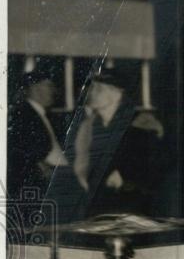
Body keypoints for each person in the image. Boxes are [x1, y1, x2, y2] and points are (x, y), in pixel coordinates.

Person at [66, 66, 165, 220]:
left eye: (98, 89)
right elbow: (81, 163)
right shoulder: (88, 127)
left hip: (133, 209)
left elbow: (155, 168)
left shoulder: (141, 124)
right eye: (92, 89)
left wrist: (126, 177)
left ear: (116, 93)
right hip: (95, 208)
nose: (91, 94)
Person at [7, 70, 68, 206]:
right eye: (49, 86)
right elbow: (21, 149)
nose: (54, 91)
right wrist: (44, 168)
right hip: (40, 178)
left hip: (58, 175)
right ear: (35, 88)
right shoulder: (23, 114)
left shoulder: (43, 115)